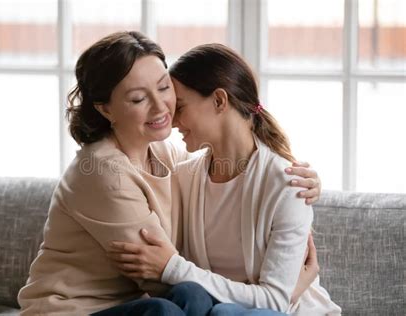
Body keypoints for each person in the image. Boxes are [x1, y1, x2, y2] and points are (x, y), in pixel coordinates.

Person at [18, 32, 322, 315]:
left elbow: (173, 266)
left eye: (165, 88)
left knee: (194, 298)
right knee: (174, 306)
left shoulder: (167, 155)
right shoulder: (104, 172)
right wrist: (292, 288)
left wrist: (305, 184)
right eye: (138, 99)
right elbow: (157, 276)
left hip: (137, 305)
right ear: (106, 110)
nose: (163, 109)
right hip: (75, 310)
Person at [107, 43, 342, 315]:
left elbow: (275, 301)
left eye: (179, 107)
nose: (171, 122)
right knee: (202, 302)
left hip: (289, 312)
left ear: (219, 101)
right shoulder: (184, 177)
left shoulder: (288, 185)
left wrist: (171, 267)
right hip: (218, 310)